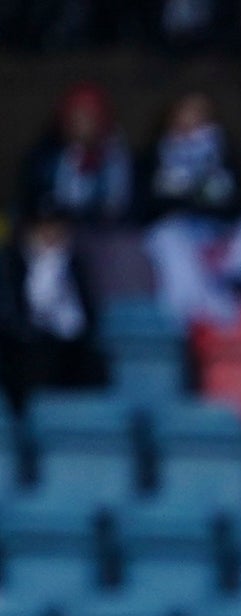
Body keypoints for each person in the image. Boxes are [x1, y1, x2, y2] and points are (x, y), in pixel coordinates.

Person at [139, 92, 241, 331]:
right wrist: (194, 199)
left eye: (199, 116)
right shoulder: (155, 155)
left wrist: (198, 199)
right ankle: (194, 315)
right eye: (184, 115)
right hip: (176, 235)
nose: (190, 122)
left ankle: (220, 291)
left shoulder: (226, 154)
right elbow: (153, 204)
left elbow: (237, 203)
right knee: (169, 238)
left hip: (219, 238)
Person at [15, 84, 145, 306]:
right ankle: (52, 328)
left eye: (89, 117)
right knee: (48, 256)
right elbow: (32, 203)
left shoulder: (120, 157)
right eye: (76, 118)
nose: (82, 125)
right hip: (60, 230)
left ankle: (125, 327)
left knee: (128, 253)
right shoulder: (46, 156)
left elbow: (131, 205)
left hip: (110, 231)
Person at [0, 216, 108, 409]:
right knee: (32, 362)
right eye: (46, 228)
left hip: (70, 344)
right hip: (28, 345)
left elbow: (87, 313)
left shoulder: (74, 263)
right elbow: (15, 315)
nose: (52, 234)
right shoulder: (13, 262)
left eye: (57, 228)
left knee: (94, 364)